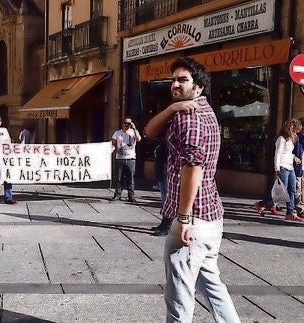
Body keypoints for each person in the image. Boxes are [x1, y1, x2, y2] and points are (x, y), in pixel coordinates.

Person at [145, 57, 240, 322]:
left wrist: (184, 218)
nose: (174, 84)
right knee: (211, 287)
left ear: (198, 86)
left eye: (182, 79)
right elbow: (150, 131)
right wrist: (170, 110)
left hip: (193, 220)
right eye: (173, 79)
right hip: (210, 218)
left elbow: (193, 167)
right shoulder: (197, 111)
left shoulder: (190, 118)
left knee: (179, 296)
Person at [273, 118, 304, 221]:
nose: (296, 134)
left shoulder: (291, 140)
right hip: (283, 167)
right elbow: (277, 154)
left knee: (292, 190)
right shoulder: (281, 139)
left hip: (290, 167)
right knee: (283, 189)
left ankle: (290, 213)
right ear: (292, 129)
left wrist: (294, 157)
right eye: (296, 131)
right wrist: (277, 169)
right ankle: (266, 203)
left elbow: (288, 153)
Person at [111, 116, 141, 202]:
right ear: (122, 123)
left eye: (129, 123)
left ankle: (131, 196)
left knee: (130, 178)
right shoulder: (117, 133)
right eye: (125, 123)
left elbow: (138, 139)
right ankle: (117, 194)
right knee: (119, 177)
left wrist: (134, 129)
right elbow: (113, 144)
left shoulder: (133, 132)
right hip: (120, 158)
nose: (127, 125)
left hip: (131, 158)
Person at [151, 140, 172, 236]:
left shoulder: (167, 144)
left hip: (165, 175)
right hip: (160, 175)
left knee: (167, 201)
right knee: (164, 202)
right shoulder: (161, 144)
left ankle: (167, 226)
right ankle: (163, 223)